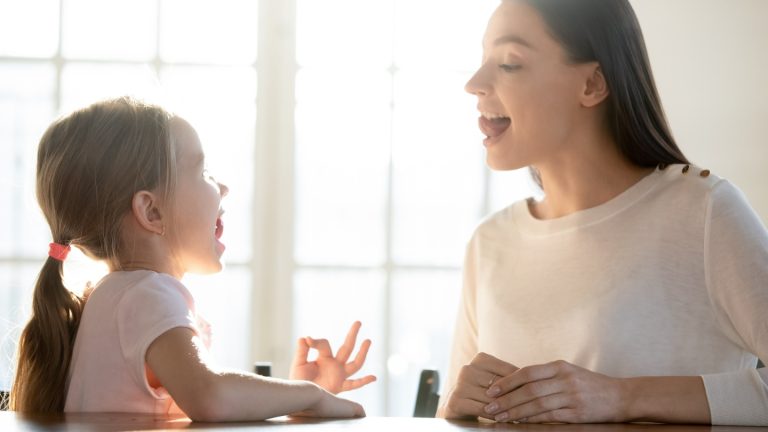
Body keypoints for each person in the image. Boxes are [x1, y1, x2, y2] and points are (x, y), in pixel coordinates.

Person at [438, 0, 767, 426]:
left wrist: (624, 397)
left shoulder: (703, 212)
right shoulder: (490, 242)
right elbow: (451, 415)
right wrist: (456, 407)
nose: (474, 83)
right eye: (483, 60)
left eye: (509, 63)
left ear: (592, 84)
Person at [11, 97, 376, 421]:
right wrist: (310, 397)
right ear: (151, 212)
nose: (224, 188)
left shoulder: (117, 297)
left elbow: (190, 411)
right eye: (203, 171)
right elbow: (210, 396)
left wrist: (289, 398)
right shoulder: (147, 295)